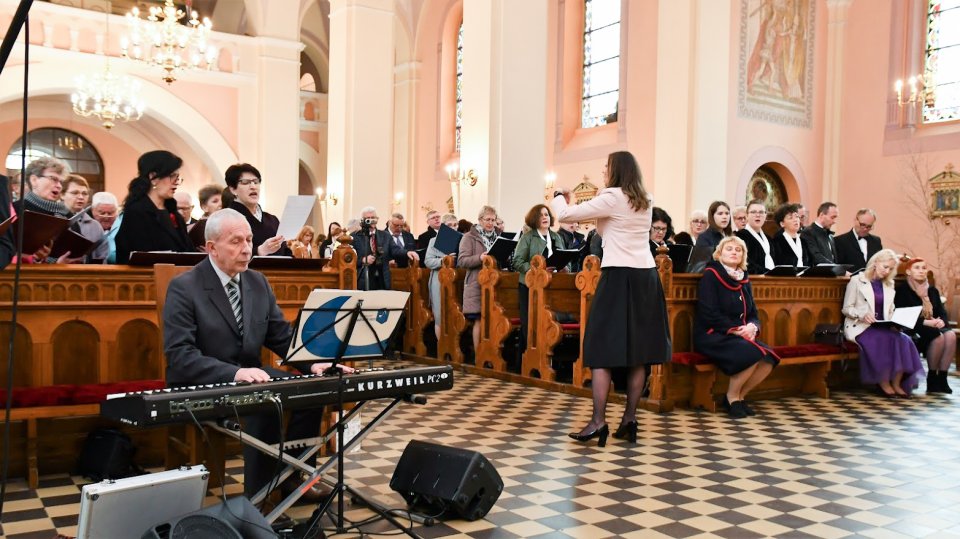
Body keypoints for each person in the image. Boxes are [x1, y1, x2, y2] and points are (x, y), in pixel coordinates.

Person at [163, 209, 351, 499]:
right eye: (236, 241)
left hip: (251, 376)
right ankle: (259, 500)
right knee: (266, 400)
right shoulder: (185, 286)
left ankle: (293, 476)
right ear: (211, 248)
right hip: (202, 379)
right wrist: (235, 373)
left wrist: (314, 364)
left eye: (249, 240)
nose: (247, 248)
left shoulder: (257, 282)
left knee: (313, 391)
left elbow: (282, 337)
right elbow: (180, 355)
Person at [551, 151, 671, 446]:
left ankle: (598, 421)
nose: (603, 172)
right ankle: (629, 418)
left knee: (600, 347)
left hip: (618, 276)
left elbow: (565, 215)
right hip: (646, 277)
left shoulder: (612, 196)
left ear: (615, 170)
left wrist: (557, 195)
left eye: (606, 167)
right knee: (638, 352)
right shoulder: (645, 198)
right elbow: (610, 228)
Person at [694, 236, 779, 418]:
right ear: (719, 253)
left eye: (738, 250)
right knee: (752, 353)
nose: (734, 252)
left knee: (769, 358)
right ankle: (731, 397)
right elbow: (709, 313)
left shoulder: (744, 278)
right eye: (729, 249)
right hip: (713, 334)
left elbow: (753, 314)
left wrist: (753, 327)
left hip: (740, 335)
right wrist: (737, 330)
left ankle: (739, 397)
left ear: (743, 256)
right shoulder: (712, 275)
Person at [842, 249, 924, 398]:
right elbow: (847, 308)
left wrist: (897, 321)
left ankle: (896, 383)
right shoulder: (857, 281)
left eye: (891, 269)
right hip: (861, 326)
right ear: (875, 263)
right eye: (885, 267)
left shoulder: (889, 284)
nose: (887, 271)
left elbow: (890, 310)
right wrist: (862, 315)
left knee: (904, 340)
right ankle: (883, 382)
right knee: (884, 339)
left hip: (884, 325)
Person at [114, 151, 196, 264]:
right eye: (172, 176)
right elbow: (134, 254)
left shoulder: (172, 211)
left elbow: (187, 250)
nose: (176, 182)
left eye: (178, 177)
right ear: (153, 177)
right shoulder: (136, 212)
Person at [895, 258, 955, 394]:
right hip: (914, 326)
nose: (921, 271)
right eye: (917, 268)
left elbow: (941, 311)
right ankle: (932, 378)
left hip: (933, 324)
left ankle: (943, 378)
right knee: (938, 337)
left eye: (923, 268)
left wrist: (941, 322)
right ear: (908, 272)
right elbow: (902, 315)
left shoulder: (932, 290)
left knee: (950, 336)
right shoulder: (903, 290)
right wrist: (927, 322)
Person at [513, 204, 566, 354]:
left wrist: (563, 265)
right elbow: (517, 261)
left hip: (551, 285)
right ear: (535, 218)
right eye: (541, 215)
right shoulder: (528, 237)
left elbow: (561, 256)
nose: (545, 217)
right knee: (530, 324)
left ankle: (545, 355)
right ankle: (527, 358)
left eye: (547, 214)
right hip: (529, 286)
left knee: (546, 322)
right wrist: (536, 271)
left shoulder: (556, 237)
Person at [458, 206, 500, 352]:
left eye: (493, 220)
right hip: (477, 283)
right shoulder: (469, 237)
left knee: (494, 319)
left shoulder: (499, 236)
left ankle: (492, 353)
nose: (490, 223)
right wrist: (480, 258)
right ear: (480, 220)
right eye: (487, 219)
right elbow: (462, 261)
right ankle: (479, 355)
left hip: (496, 282)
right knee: (480, 319)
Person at [224, 163, 288, 256]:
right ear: (233, 189)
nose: (253, 186)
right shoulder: (226, 218)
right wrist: (259, 251)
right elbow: (226, 254)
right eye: (245, 182)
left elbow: (285, 251)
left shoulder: (272, 220)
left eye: (256, 181)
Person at [352, 207, 418, 290]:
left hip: (382, 278)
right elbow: (350, 259)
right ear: (362, 220)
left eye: (373, 218)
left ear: (377, 219)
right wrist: (362, 260)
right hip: (364, 278)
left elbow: (395, 250)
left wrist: (407, 253)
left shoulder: (385, 235)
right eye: (368, 218)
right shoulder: (355, 236)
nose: (371, 220)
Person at [424, 213, 458, 339]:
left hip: (456, 279)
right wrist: (443, 260)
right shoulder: (433, 241)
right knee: (440, 314)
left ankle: (453, 344)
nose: (453, 228)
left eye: (455, 225)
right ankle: (441, 345)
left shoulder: (462, 239)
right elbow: (428, 261)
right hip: (439, 279)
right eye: (450, 225)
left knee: (454, 313)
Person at [62, 175, 108, 262]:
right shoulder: (54, 220)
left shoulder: (95, 226)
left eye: (84, 193)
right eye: (75, 193)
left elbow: (103, 256)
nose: (81, 197)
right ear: (62, 195)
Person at [736, 199, 775, 274]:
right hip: (752, 280)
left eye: (761, 212)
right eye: (753, 212)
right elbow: (744, 262)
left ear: (765, 216)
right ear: (747, 216)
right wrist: (766, 272)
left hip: (772, 280)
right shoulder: (740, 236)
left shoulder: (768, 238)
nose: (758, 215)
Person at [770, 202, 808, 267]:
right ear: (782, 223)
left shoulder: (803, 241)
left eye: (796, 216)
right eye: (790, 218)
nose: (795, 220)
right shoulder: (777, 242)